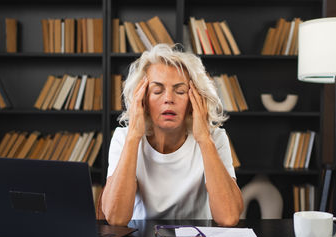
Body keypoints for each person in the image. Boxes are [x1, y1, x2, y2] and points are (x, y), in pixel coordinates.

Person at [102, 44, 243, 226]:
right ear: (143, 99)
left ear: (195, 100)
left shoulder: (215, 139)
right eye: (157, 91)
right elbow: (115, 218)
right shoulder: (123, 138)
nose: (168, 98)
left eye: (180, 91)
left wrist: (204, 139)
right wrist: (133, 137)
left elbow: (229, 217)